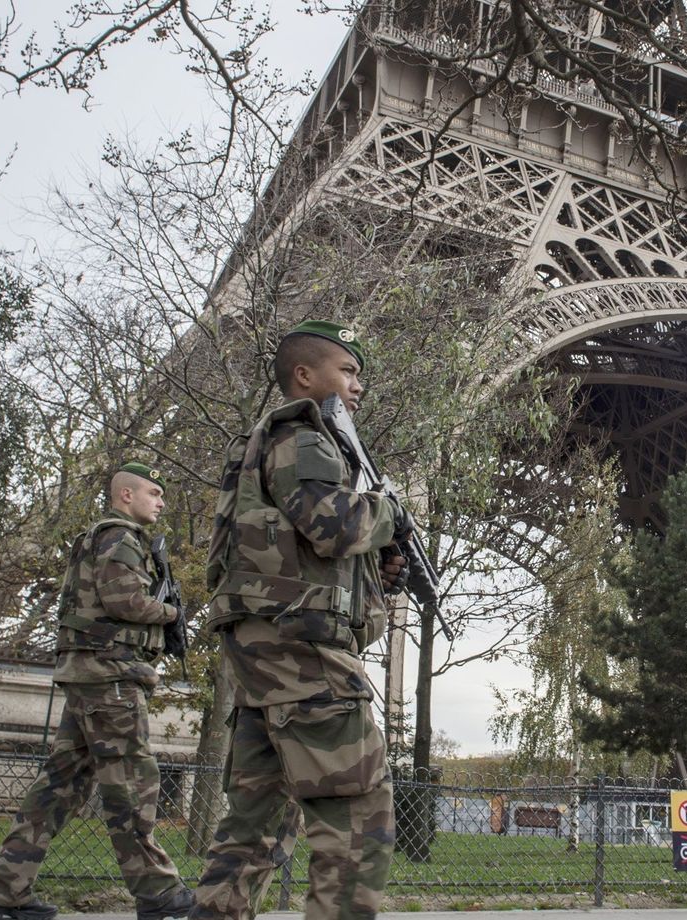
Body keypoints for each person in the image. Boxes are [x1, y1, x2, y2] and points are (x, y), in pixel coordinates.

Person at [191, 320, 408, 920]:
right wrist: (387, 513)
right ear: (305, 376)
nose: (358, 384)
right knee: (359, 815)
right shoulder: (305, 432)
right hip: (301, 652)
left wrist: (374, 580)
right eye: (348, 370)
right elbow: (331, 524)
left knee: (258, 821)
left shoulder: (265, 442)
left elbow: (296, 550)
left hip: (267, 653)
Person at [0, 463, 195, 920]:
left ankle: (5, 889)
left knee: (58, 787)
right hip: (110, 679)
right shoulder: (121, 538)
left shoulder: (97, 538)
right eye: (154, 493)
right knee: (131, 783)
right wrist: (173, 615)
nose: (161, 502)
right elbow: (126, 602)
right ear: (126, 495)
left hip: (89, 676)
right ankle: (157, 891)